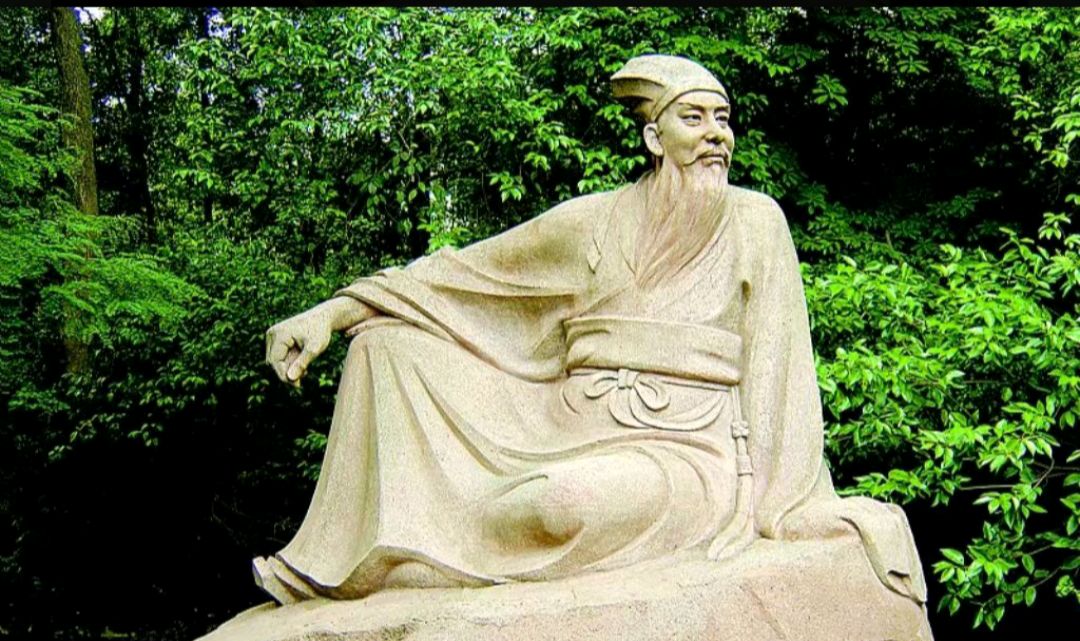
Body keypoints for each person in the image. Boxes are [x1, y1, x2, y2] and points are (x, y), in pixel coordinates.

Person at [255, 55, 926, 605]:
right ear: (654, 138)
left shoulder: (757, 222)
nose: (716, 136)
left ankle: (444, 560)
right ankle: (400, 559)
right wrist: (332, 314)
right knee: (387, 346)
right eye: (694, 119)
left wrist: (787, 496)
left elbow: (780, 369)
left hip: (687, 452)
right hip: (561, 424)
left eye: (724, 121)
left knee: (560, 503)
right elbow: (462, 276)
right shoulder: (592, 223)